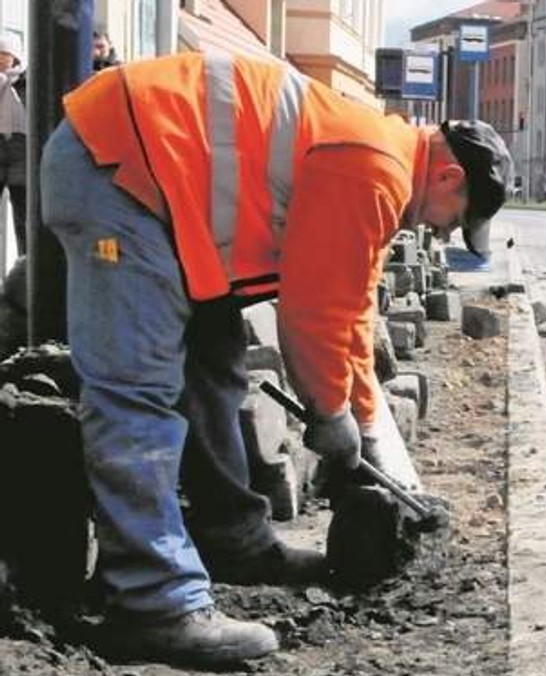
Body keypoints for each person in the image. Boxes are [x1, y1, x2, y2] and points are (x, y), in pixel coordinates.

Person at [41, 52, 511, 667]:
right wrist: (332, 417)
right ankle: (154, 602)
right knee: (137, 391)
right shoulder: (376, 169)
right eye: (458, 221)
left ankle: (233, 544)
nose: (446, 234)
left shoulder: (382, 157)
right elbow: (311, 314)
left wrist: (365, 428)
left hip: (155, 180)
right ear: (449, 178)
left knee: (213, 362)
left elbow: (351, 317)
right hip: (120, 169)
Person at [0, 37, 26, 255]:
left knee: (23, 214)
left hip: (21, 149)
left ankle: (25, 267)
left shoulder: (25, 80)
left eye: (4, 54)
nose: (0, 60)